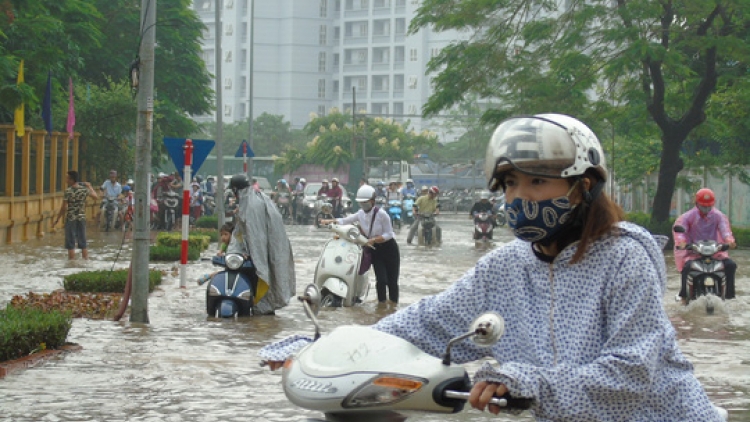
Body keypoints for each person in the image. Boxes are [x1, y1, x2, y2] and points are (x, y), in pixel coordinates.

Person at [261, 113, 727, 421]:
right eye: (509, 185)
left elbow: (630, 375)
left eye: (537, 182)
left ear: (583, 186)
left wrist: (527, 381)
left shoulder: (624, 258)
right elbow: (425, 326)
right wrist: (331, 346)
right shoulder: (505, 266)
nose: (518, 198)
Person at [321, 184, 400, 304]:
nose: (363, 205)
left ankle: (394, 307)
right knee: (381, 280)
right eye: (361, 203)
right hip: (375, 250)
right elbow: (345, 220)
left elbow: (389, 234)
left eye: (366, 202)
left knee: (392, 282)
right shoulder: (360, 214)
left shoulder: (382, 215)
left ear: (373, 201)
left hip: (389, 249)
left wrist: (374, 239)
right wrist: (330, 221)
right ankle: (382, 306)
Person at [673, 188, 737, 303]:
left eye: (709, 206)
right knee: (687, 267)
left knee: (731, 265)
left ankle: (729, 295)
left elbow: (725, 230)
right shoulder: (688, 217)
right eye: (703, 205)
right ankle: (683, 295)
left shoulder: (719, 216)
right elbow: (680, 232)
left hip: (715, 251)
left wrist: (729, 241)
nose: (706, 208)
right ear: (696, 203)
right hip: (694, 251)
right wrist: (681, 242)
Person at [52, 171, 98, 260]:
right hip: (81, 218)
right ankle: (85, 261)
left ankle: (71, 264)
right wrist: (89, 186)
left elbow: (64, 207)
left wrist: (57, 219)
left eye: (67, 178)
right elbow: (95, 196)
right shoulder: (84, 190)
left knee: (70, 244)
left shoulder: (68, 191)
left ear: (71, 180)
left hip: (71, 218)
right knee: (83, 242)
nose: (66, 180)